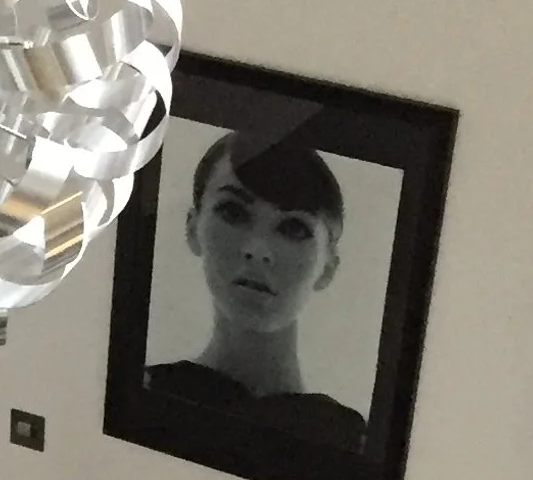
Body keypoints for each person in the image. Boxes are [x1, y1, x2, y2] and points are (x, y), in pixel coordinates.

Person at [144, 130, 366, 447]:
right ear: (193, 228)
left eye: (293, 228)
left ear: (328, 267)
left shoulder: (355, 441)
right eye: (233, 212)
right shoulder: (143, 392)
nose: (258, 250)